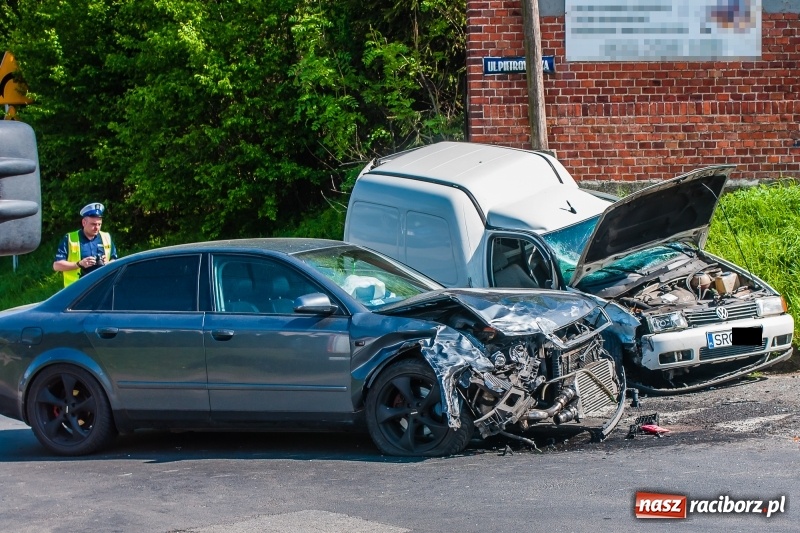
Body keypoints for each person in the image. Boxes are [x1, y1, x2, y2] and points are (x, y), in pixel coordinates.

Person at [53, 202, 118, 287]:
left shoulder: (106, 237)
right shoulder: (70, 238)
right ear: (84, 222)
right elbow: (57, 266)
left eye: (99, 224)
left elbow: (115, 260)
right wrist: (79, 264)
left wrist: (108, 263)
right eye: (93, 224)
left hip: (103, 286)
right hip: (78, 290)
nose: (97, 228)